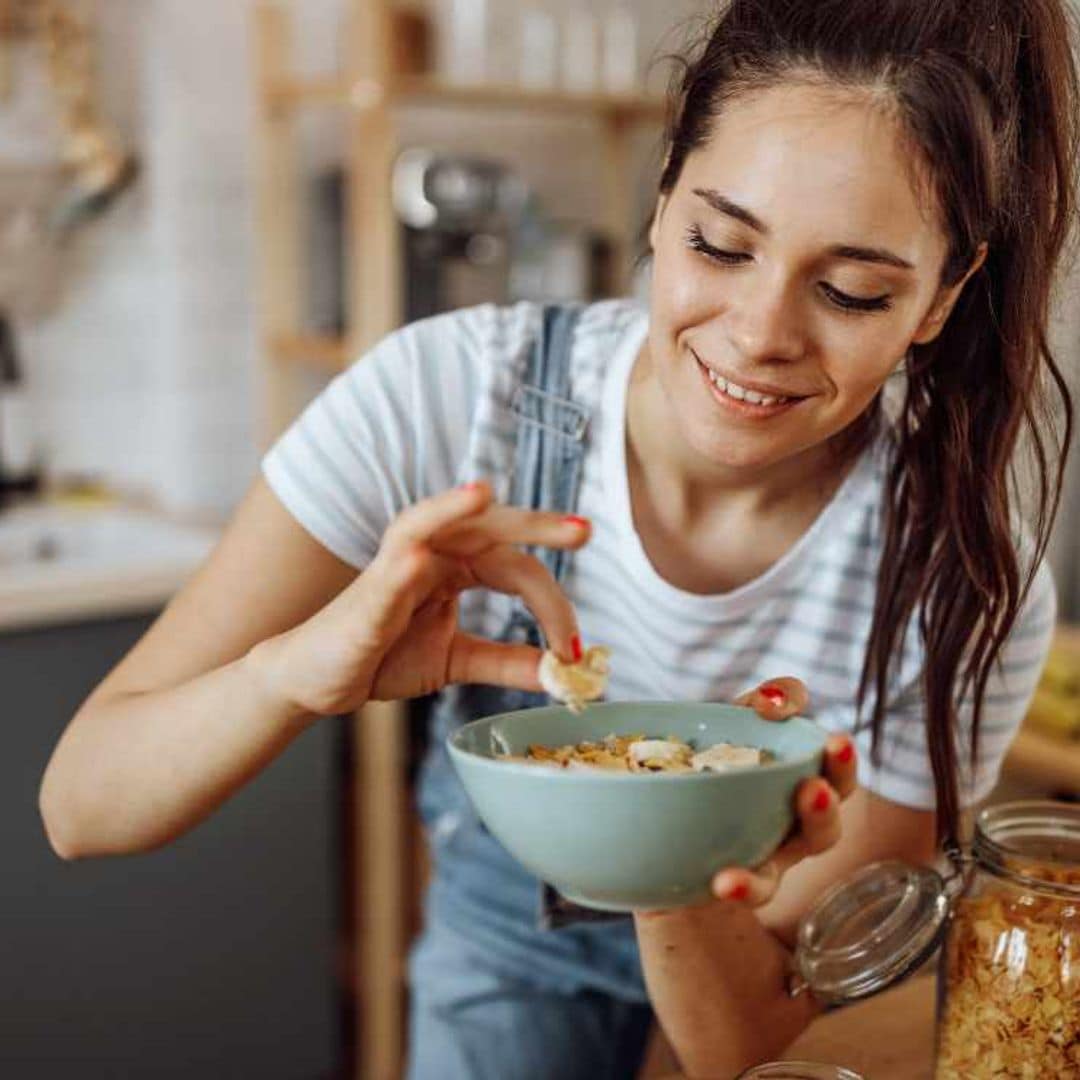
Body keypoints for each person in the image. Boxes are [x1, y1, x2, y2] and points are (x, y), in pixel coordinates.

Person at [39, 0, 1076, 1074]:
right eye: (719, 244)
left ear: (943, 298)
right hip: (507, 972)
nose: (761, 335)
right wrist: (298, 674)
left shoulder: (961, 579)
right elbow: (82, 803)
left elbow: (743, 1033)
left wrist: (678, 828)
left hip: (726, 973)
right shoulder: (449, 398)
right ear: (664, 191)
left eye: (852, 291)